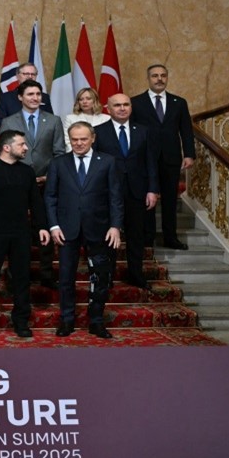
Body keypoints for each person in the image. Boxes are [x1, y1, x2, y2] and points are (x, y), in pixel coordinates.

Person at [44, 121, 123, 339]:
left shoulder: (107, 161)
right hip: (66, 230)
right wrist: (53, 226)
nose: (79, 143)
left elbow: (115, 197)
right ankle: (67, 320)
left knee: (100, 277)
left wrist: (115, 226)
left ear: (93, 138)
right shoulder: (58, 163)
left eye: (83, 139)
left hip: (99, 229)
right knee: (66, 278)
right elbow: (50, 197)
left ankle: (96, 321)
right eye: (75, 139)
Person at [0, 130, 50, 338]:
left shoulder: (27, 171)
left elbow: (35, 201)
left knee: (22, 279)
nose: (26, 148)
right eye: (21, 144)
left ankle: (21, 321)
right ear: (6, 147)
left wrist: (42, 226)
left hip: (20, 233)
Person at [0, 79, 65, 288]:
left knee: (44, 226)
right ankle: (15, 276)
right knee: (16, 230)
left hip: (46, 182)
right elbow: (5, 153)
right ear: (20, 97)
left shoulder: (53, 120)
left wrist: (49, 176)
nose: (35, 98)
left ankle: (46, 274)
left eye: (38, 94)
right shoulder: (8, 121)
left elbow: (59, 153)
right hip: (17, 183)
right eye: (30, 94)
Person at [95, 94, 159, 289]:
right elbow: (95, 165)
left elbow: (151, 162)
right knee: (109, 236)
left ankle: (135, 274)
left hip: (137, 192)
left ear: (131, 107)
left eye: (126, 104)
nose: (122, 108)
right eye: (117, 105)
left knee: (136, 236)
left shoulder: (143, 131)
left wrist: (152, 189)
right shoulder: (98, 131)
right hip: (108, 193)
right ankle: (107, 276)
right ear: (108, 109)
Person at [131, 64, 196, 249]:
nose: (159, 79)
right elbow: (132, 131)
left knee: (170, 200)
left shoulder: (179, 102)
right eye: (155, 76)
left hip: (171, 158)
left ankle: (170, 238)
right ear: (148, 78)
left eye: (163, 75)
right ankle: (147, 237)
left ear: (167, 78)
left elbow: (186, 130)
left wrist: (189, 154)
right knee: (147, 199)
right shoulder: (136, 102)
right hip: (145, 159)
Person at [0, 62, 53, 129]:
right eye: (26, 74)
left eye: (33, 74)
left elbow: (51, 121)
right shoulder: (5, 98)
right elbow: (1, 124)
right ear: (17, 76)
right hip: (15, 134)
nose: (30, 76)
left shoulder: (44, 97)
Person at [62, 87, 111, 152]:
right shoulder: (70, 118)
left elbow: (108, 140)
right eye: (81, 99)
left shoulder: (106, 118)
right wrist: (77, 153)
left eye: (88, 99)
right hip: (77, 153)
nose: (84, 102)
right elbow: (67, 140)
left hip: (101, 154)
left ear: (95, 100)